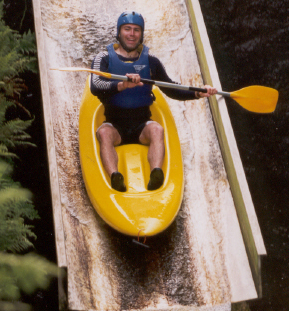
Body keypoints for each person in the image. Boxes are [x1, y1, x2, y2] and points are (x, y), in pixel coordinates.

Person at [91, 11, 217, 192]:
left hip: (142, 125)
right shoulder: (102, 59)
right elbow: (95, 85)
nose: (132, 34)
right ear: (119, 32)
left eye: (136, 30)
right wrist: (122, 85)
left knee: (157, 129)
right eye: (127, 29)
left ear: (142, 34)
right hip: (114, 125)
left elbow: (171, 88)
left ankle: (157, 174)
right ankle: (114, 177)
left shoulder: (152, 62)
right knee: (104, 134)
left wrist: (199, 92)